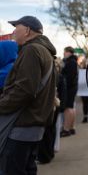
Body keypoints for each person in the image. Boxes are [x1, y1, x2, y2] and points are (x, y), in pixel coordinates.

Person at [0, 16, 56, 174]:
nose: (13, 32)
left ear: (27, 31)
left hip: (22, 124)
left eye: (16, 27)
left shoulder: (31, 50)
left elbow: (24, 90)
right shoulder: (43, 50)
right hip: (32, 125)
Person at [60, 46, 78, 137]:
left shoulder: (71, 62)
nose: (64, 53)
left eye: (65, 52)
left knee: (68, 108)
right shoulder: (73, 61)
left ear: (69, 52)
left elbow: (69, 77)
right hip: (72, 88)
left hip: (69, 88)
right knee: (71, 108)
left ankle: (66, 129)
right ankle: (71, 127)